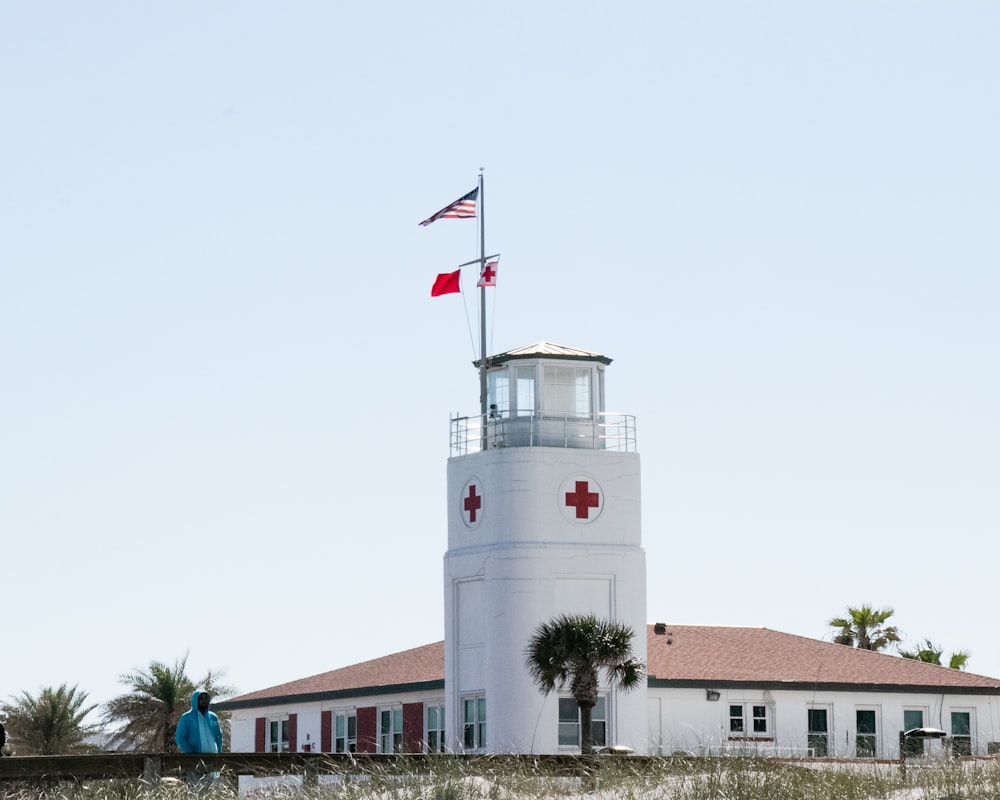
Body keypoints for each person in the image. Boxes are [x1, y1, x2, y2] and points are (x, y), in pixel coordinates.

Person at [175, 690, 223, 785]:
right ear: (195, 700)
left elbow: (219, 736)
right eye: (201, 698)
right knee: (196, 789)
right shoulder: (187, 717)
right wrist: (190, 752)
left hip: (213, 759)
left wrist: (219, 753)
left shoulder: (213, 717)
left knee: (213, 789)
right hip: (195, 761)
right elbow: (180, 738)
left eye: (206, 698)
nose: (204, 701)